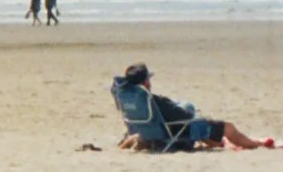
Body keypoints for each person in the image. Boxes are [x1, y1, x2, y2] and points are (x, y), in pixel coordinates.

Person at [111, 62, 272, 150]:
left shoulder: (131, 99)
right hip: (169, 135)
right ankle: (255, 144)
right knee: (226, 127)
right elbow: (184, 118)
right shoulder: (156, 102)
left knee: (189, 112)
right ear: (146, 82)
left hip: (149, 133)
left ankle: (217, 142)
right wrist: (194, 114)